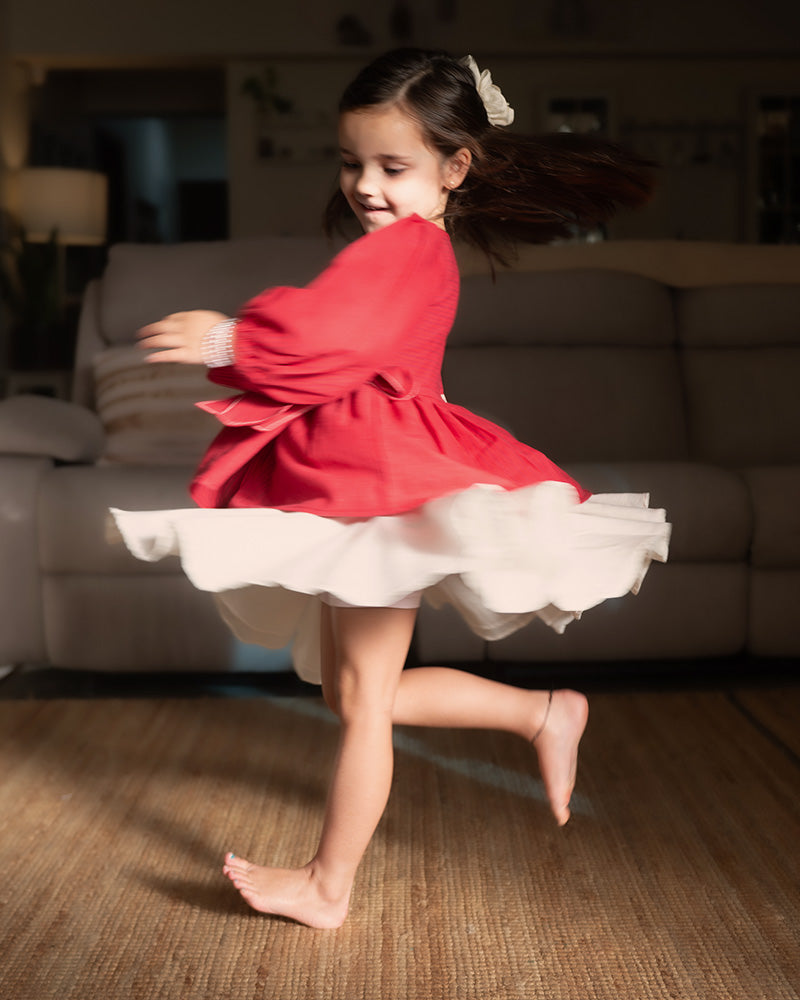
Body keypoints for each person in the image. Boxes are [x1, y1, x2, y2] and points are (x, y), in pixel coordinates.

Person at [113, 48, 670, 929]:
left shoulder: (410, 247)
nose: (367, 185)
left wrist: (227, 342)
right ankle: (544, 713)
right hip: (354, 473)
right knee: (351, 691)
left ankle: (328, 886)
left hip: (385, 481)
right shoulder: (403, 238)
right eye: (351, 162)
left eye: (392, 166)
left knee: (364, 701)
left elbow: (336, 337)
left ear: (456, 168)